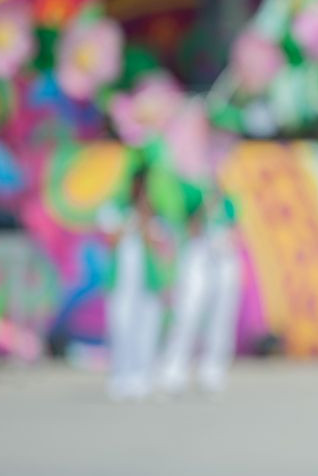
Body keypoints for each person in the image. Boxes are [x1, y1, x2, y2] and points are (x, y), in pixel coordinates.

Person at [158, 191, 243, 394]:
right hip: (200, 257)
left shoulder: (229, 203)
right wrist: (206, 206)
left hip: (223, 260)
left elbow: (234, 230)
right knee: (188, 313)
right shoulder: (194, 195)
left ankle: (213, 371)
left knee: (221, 318)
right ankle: (174, 368)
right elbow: (190, 227)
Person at [103, 167, 170, 401]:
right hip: (122, 281)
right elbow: (111, 238)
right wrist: (131, 222)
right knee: (121, 325)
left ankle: (143, 376)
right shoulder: (117, 208)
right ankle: (121, 375)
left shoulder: (153, 214)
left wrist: (145, 220)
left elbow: (160, 243)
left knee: (146, 327)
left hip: (146, 281)